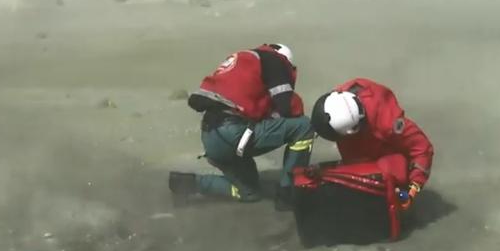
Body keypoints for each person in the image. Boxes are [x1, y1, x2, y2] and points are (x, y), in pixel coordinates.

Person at [169, 43, 314, 211]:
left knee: (250, 193)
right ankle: (288, 192)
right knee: (304, 127)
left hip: (211, 137)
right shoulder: (276, 62)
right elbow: (287, 107)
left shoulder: (242, 61)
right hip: (233, 134)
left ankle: (188, 183)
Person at [310, 77, 433, 206]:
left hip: (385, 148)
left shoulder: (389, 122)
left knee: (395, 172)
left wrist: (413, 188)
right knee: (353, 166)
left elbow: (422, 148)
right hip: (357, 132)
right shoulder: (337, 101)